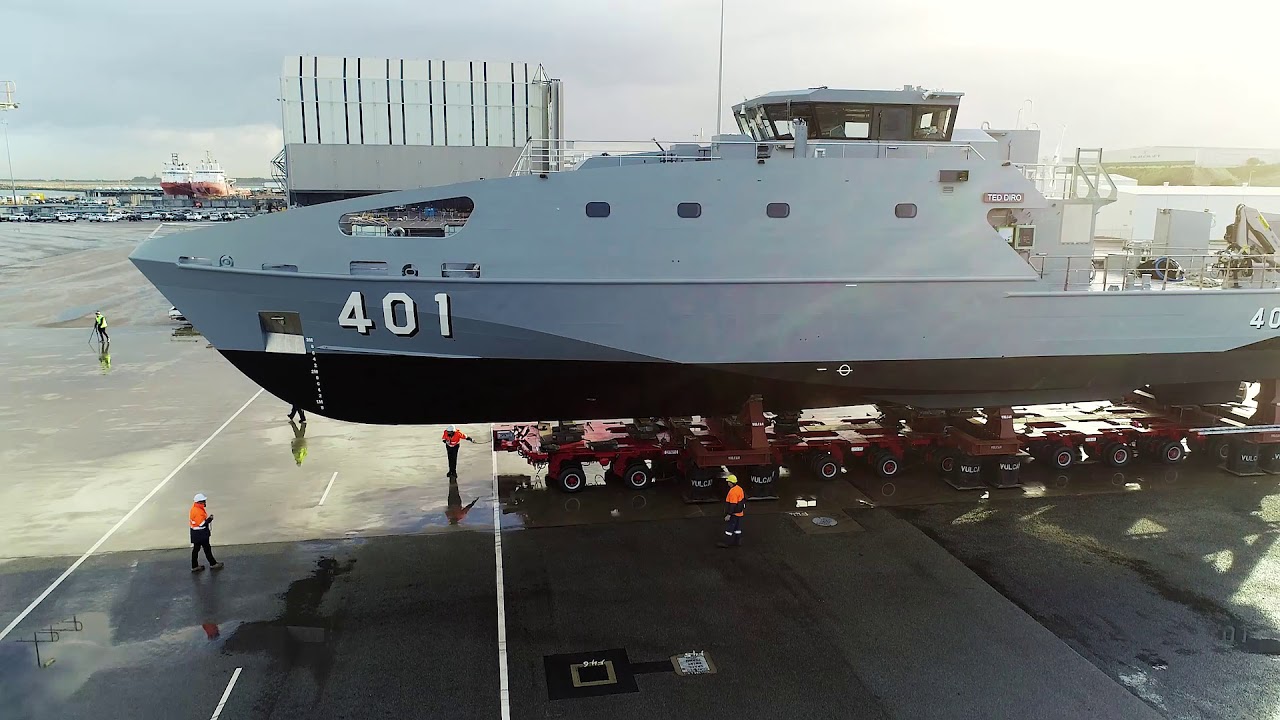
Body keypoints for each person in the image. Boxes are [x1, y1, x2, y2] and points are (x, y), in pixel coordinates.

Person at [189, 493, 223, 572]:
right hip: (201, 534)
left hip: (195, 533)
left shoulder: (194, 508)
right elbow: (201, 524)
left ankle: (194, 566)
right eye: (204, 501)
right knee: (207, 549)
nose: (205, 502)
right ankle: (213, 564)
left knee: (196, 549)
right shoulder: (198, 511)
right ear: (200, 502)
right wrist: (209, 519)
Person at [717, 474, 746, 548]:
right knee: (738, 528)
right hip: (740, 513)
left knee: (729, 529)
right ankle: (738, 541)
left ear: (731, 482)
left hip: (734, 514)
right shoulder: (739, 488)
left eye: (728, 481)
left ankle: (726, 543)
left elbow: (733, 504)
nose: (727, 483)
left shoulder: (732, 492)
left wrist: (729, 514)